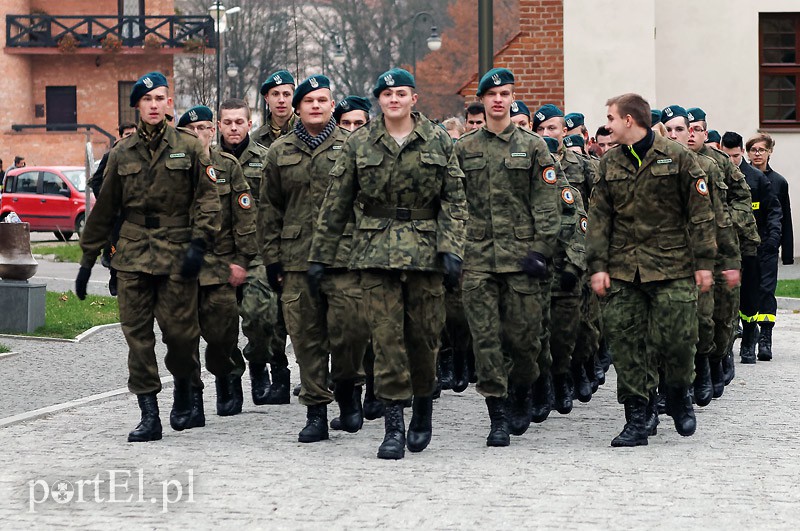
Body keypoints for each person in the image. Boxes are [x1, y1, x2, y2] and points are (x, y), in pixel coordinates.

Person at [309, 67, 467, 460]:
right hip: (374, 252)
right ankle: (393, 426)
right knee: (385, 340)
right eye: (386, 94)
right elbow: (337, 202)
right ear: (378, 100)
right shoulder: (359, 142)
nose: (393, 99)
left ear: (414, 98)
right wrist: (320, 256)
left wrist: (452, 249)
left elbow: (454, 200)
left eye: (401, 93)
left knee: (424, 339)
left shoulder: (438, 140)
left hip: (425, 252)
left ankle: (423, 409)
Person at [75, 72, 221, 442]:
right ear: (137, 106)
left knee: (181, 336)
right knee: (138, 338)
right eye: (147, 99)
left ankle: (186, 386)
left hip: (176, 251)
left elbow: (207, 198)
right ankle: (149, 413)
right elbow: (105, 207)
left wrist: (199, 243)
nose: (154, 105)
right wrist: (88, 258)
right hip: (133, 252)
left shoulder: (188, 146)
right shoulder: (121, 152)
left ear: (168, 104)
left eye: (160, 98)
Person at [587, 93, 716, 447]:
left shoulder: (678, 157)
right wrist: (597, 266)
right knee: (627, 345)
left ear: (629, 120)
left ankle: (678, 394)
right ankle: (637, 418)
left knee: (677, 340)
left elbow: (702, 215)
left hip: (672, 267)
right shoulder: (609, 163)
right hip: (625, 270)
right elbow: (598, 219)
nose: (608, 125)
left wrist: (705, 263)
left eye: (611, 118)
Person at [454, 68, 560, 446]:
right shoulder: (464, 149)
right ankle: (497, 414)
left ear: (512, 99)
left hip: (522, 259)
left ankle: (522, 392)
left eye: (505, 94)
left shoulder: (533, 146)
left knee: (525, 340)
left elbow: (547, 202)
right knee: (485, 340)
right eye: (492, 94)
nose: (499, 100)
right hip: (478, 257)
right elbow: (453, 202)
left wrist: (541, 250)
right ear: (482, 101)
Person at [261, 74, 368, 443]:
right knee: (306, 339)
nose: (316, 106)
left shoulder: (353, 146)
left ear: (332, 104)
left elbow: (365, 203)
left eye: (323, 100)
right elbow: (269, 210)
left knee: (350, 332)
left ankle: (350, 392)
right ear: (297, 107)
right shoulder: (280, 151)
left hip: (345, 258)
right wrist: (272, 260)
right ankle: (316, 413)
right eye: (309, 101)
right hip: (296, 260)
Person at [177, 105, 258, 418]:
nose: (200, 134)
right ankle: (193, 398)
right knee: (183, 338)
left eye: (205, 128)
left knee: (223, 334)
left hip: (220, 266)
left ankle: (227, 377)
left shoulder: (227, 165)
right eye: (193, 129)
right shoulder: (172, 169)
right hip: (182, 268)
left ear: (214, 131)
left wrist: (242, 261)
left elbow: (245, 217)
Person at [662, 105, 740, 407]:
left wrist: (728, 259)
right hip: (666, 258)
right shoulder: (652, 165)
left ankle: (707, 366)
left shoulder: (708, 167)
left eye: (679, 129)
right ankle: (668, 389)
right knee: (666, 327)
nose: (674, 135)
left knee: (705, 320)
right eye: (667, 130)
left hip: (704, 257)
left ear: (693, 132)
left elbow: (718, 216)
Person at [218, 98, 289, 406]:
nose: (234, 127)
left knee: (262, 314)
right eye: (228, 122)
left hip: (258, 250)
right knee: (219, 323)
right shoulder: (207, 161)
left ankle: (258, 363)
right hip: (219, 251)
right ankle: (231, 380)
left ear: (249, 124)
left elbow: (278, 205)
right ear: (219, 125)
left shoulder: (266, 158)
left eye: (239, 122)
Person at [720, 131, 781, 367]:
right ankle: (726, 347)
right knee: (725, 298)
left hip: (751, 248)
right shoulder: (716, 177)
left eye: (735, 156)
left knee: (750, 297)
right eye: (728, 156)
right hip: (725, 249)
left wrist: (772, 239)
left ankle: (749, 339)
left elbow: (774, 210)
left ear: (741, 154)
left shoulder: (756, 178)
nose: (732, 161)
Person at [746, 132, 794, 360]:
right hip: (745, 247)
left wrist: (787, 252)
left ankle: (765, 338)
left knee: (767, 291)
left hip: (768, 245)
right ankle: (748, 333)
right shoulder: (742, 177)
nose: (757, 154)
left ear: (769, 152)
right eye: (753, 150)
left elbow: (785, 216)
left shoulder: (778, 182)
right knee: (747, 293)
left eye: (761, 150)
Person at [88, 122, 137, 297]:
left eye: (133, 134)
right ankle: (115, 277)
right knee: (115, 247)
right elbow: (95, 181)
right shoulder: (111, 156)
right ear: (120, 137)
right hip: (116, 214)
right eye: (127, 135)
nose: (130, 138)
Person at [253, 70, 297, 146]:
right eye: (275, 94)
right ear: (267, 98)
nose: (281, 100)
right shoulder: (256, 140)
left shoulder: (308, 132)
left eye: (286, 94)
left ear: (294, 97)